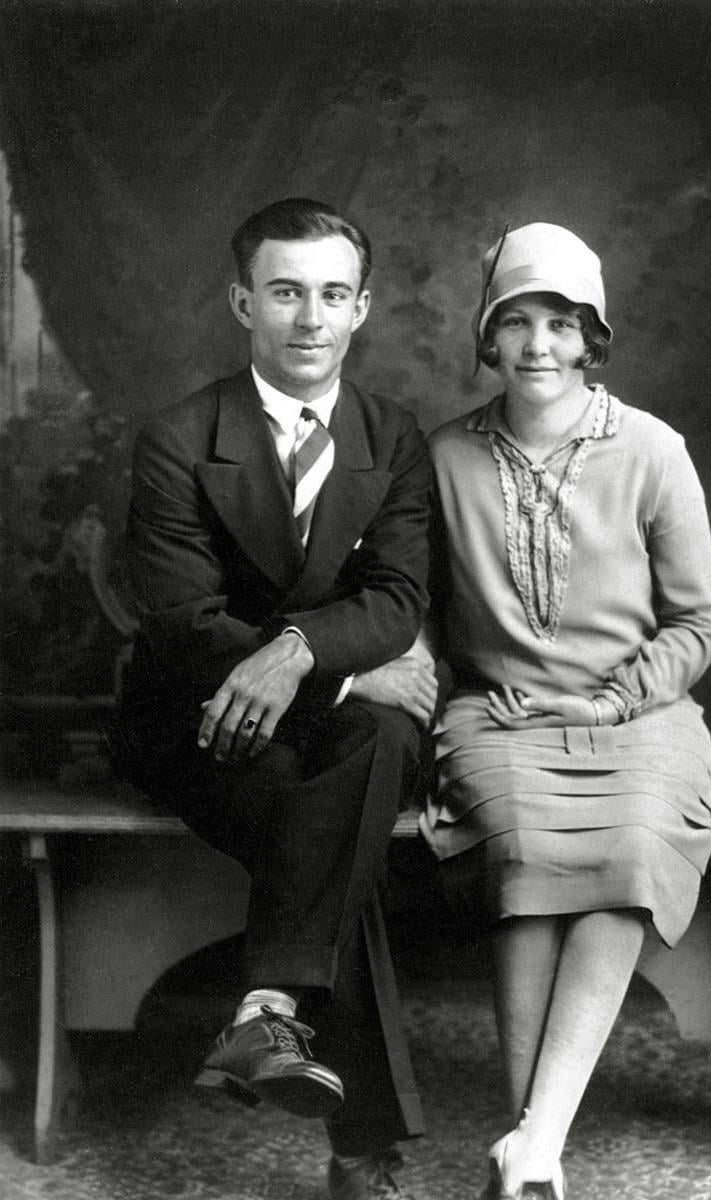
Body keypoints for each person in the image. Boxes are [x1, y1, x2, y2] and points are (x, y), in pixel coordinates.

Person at [112, 197, 437, 1200]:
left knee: (369, 750)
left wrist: (298, 652)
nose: (310, 319)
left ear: (363, 308)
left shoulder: (391, 435)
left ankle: (264, 1007)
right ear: (241, 301)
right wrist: (327, 664)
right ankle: (359, 1151)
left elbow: (397, 597)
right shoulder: (178, 438)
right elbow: (179, 623)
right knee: (350, 800)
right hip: (201, 724)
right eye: (287, 293)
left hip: (329, 717)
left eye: (333, 295)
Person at [420, 222, 711, 1200]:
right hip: (501, 717)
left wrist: (614, 696)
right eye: (518, 321)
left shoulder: (651, 449)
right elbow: (410, 607)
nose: (539, 345)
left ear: (591, 336)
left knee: (631, 846)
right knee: (523, 852)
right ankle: (536, 1154)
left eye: (561, 323)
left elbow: (699, 619)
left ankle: (533, 1145)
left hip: (640, 714)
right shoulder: (444, 460)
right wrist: (428, 687)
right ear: (488, 335)